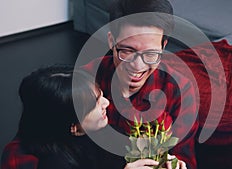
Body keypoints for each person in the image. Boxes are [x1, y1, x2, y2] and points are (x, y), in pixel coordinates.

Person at [82, 0, 199, 168]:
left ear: (163, 46)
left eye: (151, 54)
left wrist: (177, 164)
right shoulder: (87, 77)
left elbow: (185, 156)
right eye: (127, 51)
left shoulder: (180, 89)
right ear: (111, 41)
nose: (137, 66)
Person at [1, 64, 186, 169]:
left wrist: (161, 162)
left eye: (101, 95)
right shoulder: (54, 162)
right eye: (96, 103)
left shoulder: (99, 129)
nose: (106, 103)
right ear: (74, 126)